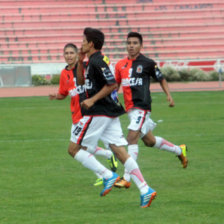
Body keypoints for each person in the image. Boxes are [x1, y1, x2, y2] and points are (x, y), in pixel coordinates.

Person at [75, 27, 156, 208]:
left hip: (99, 112)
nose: (81, 43)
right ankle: (145, 189)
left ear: (91, 43)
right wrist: (80, 62)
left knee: (74, 149)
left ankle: (107, 175)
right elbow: (80, 82)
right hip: (109, 113)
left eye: (83, 40)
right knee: (120, 152)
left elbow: (112, 84)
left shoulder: (98, 61)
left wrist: (92, 100)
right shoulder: (90, 61)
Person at [114, 32, 188, 189]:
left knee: (131, 138)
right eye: (129, 43)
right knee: (149, 141)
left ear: (141, 46)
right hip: (130, 110)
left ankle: (127, 177)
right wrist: (113, 98)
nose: (131, 46)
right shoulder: (120, 65)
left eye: (135, 43)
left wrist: (169, 96)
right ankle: (179, 150)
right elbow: (115, 85)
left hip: (142, 107)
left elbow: (161, 79)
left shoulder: (148, 63)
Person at [49, 43, 118, 187]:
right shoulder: (64, 74)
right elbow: (63, 93)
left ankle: (105, 174)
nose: (68, 56)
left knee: (76, 149)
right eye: (66, 53)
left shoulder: (86, 68)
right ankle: (107, 159)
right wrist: (56, 96)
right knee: (82, 148)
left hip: (88, 115)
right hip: (76, 116)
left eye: (71, 53)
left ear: (76, 55)